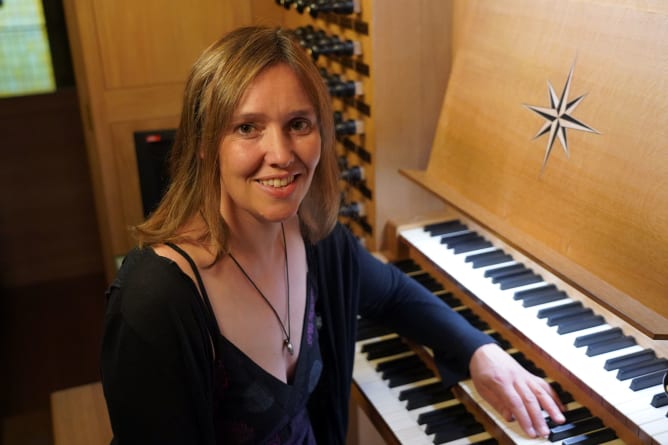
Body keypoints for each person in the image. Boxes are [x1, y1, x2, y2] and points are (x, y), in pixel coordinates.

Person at [101, 26, 565, 444]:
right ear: (204, 145)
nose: (280, 154)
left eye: (298, 124)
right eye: (248, 128)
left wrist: (480, 352)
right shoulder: (154, 301)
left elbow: (394, 296)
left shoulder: (316, 241)